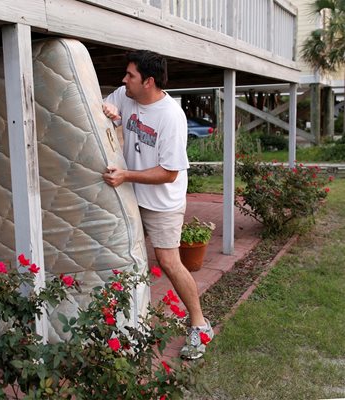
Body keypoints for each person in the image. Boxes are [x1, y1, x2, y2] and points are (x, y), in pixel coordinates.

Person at [102, 50, 213, 359]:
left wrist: (126, 175)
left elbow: (169, 172)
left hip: (163, 201)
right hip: (131, 192)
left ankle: (199, 325)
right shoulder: (125, 95)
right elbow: (105, 106)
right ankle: (127, 325)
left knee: (168, 261)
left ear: (148, 81)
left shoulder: (170, 116)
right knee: (123, 255)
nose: (124, 80)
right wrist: (109, 110)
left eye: (131, 75)